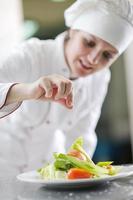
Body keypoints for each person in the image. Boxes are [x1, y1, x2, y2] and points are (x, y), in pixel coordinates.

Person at [0, 0, 133, 175]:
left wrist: (80, 177)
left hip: (45, 177)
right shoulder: (32, 55)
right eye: (89, 43)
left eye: (107, 55)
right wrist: (29, 90)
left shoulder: (100, 77)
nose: (93, 60)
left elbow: (82, 136)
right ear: (72, 31)